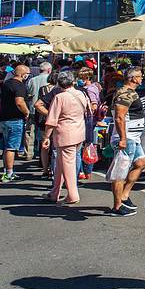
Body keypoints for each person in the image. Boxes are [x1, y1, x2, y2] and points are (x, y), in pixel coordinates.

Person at [41, 70, 89, 205]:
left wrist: (46, 137)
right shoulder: (81, 94)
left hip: (65, 134)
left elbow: (51, 120)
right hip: (79, 131)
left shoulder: (60, 97)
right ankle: (55, 192)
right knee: (62, 164)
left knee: (66, 164)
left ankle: (72, 194)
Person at [109, 67, 145, 217]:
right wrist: (123, 138)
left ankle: (124, 196)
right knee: (120, 172)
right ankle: (117, 206)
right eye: (139, 76)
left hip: (133, 137)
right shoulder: (124, 93)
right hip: (127, 137)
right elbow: (119, 116)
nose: (142, 78)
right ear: (132, 78)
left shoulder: (130, 93)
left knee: (141, 163)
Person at [0, 64, 30, 182]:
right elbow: (19, 102)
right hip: (15, 118)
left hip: (5, 117)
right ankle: (9, 172)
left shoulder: (7, 83)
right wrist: (26, 112)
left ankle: (7, 170)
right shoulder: (20, 85)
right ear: (23, 74)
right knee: (11, 147)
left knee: (7, 146)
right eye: (27, 73)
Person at [76, 67, 101, 180]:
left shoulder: (89, 89)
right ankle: (87, 170)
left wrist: (85, 110)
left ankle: (84, 170)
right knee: (88, 145)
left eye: (81, 77)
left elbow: (94, 105)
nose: (79, 79)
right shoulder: (95, 87)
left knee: (85, 145)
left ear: (86, 77)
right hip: (91, 120)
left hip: (87, 120)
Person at [26, 62, 52, 158]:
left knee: (30, 131)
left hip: (33, 108)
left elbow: (28, 93)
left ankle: (29, 153)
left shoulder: (32, 80)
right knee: (44, 132)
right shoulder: (50, 80)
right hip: (45, 110)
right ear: (49, 70)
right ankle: (43, 153)